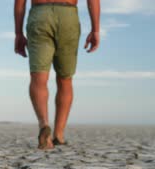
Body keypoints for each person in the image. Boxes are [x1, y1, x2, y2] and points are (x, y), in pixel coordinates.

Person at [14, 0, 100, 150]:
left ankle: (44, 125)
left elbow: (20, 2)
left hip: (40, 15)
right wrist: (95, 30)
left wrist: (18, 33)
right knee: (65, 79)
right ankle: (58, 135)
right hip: (68, 15)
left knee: (39, 78)